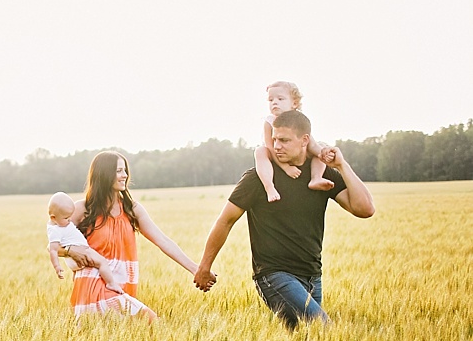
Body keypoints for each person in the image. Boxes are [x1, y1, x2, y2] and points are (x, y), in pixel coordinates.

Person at [194, 109, 375, 329]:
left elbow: (364, 209)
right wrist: (204, 266)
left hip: (312, 275)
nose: (276, 145)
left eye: (284, 140)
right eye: (274, 139)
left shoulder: (320, 175)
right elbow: (225, 220)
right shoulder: (258, 178)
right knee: (323, 329)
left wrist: (341, 166)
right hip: (274, 274)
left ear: (304, 140)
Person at [60, 151, 201, 320]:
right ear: (104, 173)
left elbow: (163, 241)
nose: (124, 175)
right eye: (119, 171)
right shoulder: (82, 209)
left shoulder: (131, 209)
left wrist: (196, 270)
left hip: (122, 285)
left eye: (125, 170)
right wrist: (71, 250)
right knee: (149, 320)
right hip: (92, 284)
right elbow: (54, 246)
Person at [256, 81, 336, 202]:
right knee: (260, 151)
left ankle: (316, 178)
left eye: (280, 98)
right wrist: (286, 168)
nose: (275, 102)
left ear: (294, 103)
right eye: (271, 100)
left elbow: (312, 145)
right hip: (274, 155)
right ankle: (269, 187)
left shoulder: (298, 120)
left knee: (321, 147)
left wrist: (324, 153)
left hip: (296, 153)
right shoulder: (269, 121)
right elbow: (271, 148)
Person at [47, 191, 123, 294]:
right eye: (66, 218)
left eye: (70, 216)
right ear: (53, 217)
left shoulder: (57, 224)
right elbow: (52, 250)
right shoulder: (55, 231)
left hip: (72, 261)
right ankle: (111, 283)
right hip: (83, 251)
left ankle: (78, 291)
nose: (70, 220)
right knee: (102, 262)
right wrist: (57, 267)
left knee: (76, 274)